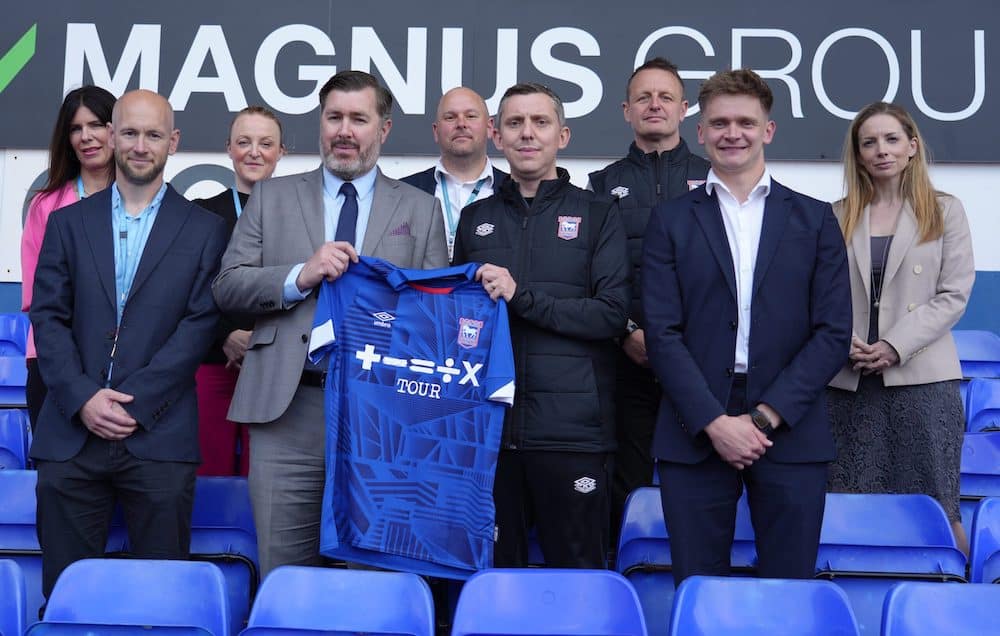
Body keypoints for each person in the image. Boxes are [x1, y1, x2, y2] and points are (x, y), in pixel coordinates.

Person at [212, 69, 448, 577]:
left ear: (383, 130)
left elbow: (433, 318)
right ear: (320, 123)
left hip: (381, 419)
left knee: (374, 581)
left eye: (358, 119)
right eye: (334, 117)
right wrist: (302, 274)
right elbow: (227, 285)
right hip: (287, 409)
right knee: (285, 576)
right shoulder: (271, 196)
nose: (344, 130)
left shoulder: (422, 210)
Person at [641, 69, 851, 584]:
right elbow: (661, 333)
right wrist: (715, 422)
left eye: (745, 122)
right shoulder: (670, 220)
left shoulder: (815, 218)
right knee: (698, 585)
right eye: (719, 123)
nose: (732, 133)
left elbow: (833, 332)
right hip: (694, 427)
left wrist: (762, 419)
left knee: (789, 587)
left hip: (790, 426)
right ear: (701, 133)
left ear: (769, 130)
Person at [29, 89, 227, 600]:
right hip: (72, 436)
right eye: (131, 132)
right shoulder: (66, 223)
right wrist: (83, 399)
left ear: (173, 142)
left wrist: (134, 404)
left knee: (159, 601)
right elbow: (47, 319)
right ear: (113, 136)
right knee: (69, 599)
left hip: (158, 437)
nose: (141, 146)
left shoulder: (206, 231)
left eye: (154, 135)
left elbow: (198, 327)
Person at [452, 82, 630, 568]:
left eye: (540, 123)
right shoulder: (474, 219)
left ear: (563, 135)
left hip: (574, 436)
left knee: (578, 582)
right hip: (491, 435)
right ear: (496, 135)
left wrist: (522, 297)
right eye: (514, 123)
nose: (527, 134)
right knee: (495, 583)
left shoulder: (599, 213)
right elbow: (459, 324)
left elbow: (611, 315)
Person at [826, 101, 974, 553]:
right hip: (848, 382)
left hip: (921, 383)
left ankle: (963, 611)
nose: (881, 150)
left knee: (937, 510)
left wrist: (893, 344)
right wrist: (841, 341)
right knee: (849, 510)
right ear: (858, 153)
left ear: (912, 146)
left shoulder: (945, 211)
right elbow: (821, 295)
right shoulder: (836, 214)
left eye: (891, 140)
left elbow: (953, 295)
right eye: (869, 142)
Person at [587, 57, 710, 540]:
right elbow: (595, 273)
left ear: (684, 110)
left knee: (704, 481)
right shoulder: (599, 185)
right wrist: (626, 333)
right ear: (625, 110)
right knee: (626, 483)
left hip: (701, 361)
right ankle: (625, 584)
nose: (654, 105)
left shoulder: (715, 177)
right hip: (628, 359)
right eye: (643, 97)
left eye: (665, 97)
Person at [194, 106, 286, 476]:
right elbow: (188, 290)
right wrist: (225, 336)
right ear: (228, 148)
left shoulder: (301, 215)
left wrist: (262, 339)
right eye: (244, 142)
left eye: (266, 143)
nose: (254, 152)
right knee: (207, 475)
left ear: (281, 152)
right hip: (214, 363)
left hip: (276, 370)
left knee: (263, 482)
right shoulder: (200, 214)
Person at [21, 85, 116, 431]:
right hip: (53, 362)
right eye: (76, 128)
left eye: (96, 125)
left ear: (116, 129)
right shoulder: (45, 205)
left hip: (120, 360)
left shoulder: (141, 203)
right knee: (59, 478)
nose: (87, 137)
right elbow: (35, 297)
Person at [401, 86, 507, 257]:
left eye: (471, 116)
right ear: (436, 131)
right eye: (450, 117)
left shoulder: (514, 191)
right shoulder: (404, 191)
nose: (461, 124)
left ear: (490, 127)